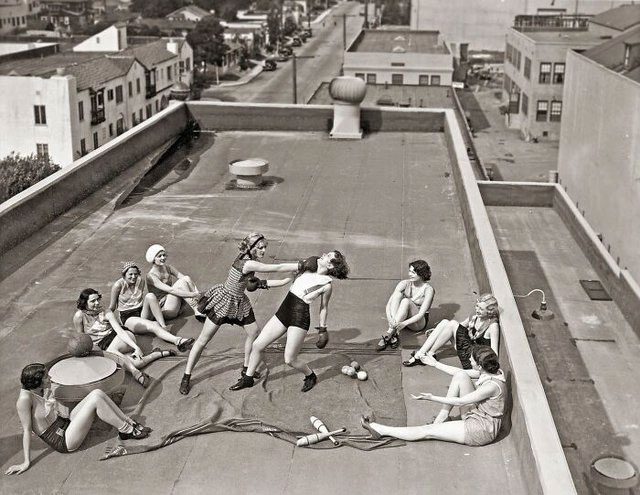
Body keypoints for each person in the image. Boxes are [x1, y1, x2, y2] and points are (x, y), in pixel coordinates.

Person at [179, 233, 299, 395]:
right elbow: (275, 268)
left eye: (265, 247)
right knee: (203, 340)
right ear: (251, 248)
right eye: (260, 247)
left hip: (239, 301)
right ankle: (186, 376)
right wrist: (299, 265)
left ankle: (246, 368)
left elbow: (257, 284)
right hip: (224, 300)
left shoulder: (248, 259)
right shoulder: (248, 263)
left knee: (254, 332)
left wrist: (286, 281)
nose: (263, 251)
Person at [230, 250, 350, 393]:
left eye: (328, 256)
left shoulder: (327, 284)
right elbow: (284, 277)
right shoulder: (308, 266)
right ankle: (248, 379)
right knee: (257, 345)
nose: (324, 254)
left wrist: (323, 329)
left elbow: (323, 308)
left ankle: (310, 375)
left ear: (330, 266)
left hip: (299, 317)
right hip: (284, 311)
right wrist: (262, 283)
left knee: (290, 360)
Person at [4, 363, 150, 475]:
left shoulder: (38, 390)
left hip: (65, 423)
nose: (50, 378)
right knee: (95, 401)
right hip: (63, 440)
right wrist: (25, 462)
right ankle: (127, 430)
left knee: (96, 393)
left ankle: (128, 422)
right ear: (37, 382)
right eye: (46, 377)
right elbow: (26, 431)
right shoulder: (24, 400)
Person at [360, 346, 507, 446]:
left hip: (479, 430)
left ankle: (381, 430)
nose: (469, 361)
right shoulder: (490, 370)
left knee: (427, 432)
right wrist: (435, 364)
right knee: (461, 375)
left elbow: (460, 401)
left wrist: (431, 397)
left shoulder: (491, 386)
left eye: (472, 360)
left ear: (480, 366)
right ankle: (440, 420)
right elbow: (457, 372)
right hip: (478, 414)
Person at [73, 288, 171, 387]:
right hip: (104, 346)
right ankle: (156, 354)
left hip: (123, 338)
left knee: (114, 355)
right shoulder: (79, 316)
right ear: (85, 303)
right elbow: (81, 338)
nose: (97, 303)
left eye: (98, 299)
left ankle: (135, 373)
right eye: (93, 301)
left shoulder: (106, 312)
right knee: (136, 363)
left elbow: (120, 332)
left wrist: (136, 347)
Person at [109, 261, 195, 353]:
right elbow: (112, 307)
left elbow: (143, 300)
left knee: (150, 295)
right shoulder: (118, 285)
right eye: (130, 274)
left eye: (136, 274)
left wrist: (165, 297)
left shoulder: (140, 281)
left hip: (141, 311)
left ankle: (163, 326)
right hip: (128, 317)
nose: (133, 277)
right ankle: (178, 341)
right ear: (124, 275)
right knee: (153, 325)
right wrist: (107, 320)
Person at [402, 293, 500, 369]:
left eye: (481, 309)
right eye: (477, 306)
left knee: (452, 323)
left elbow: (494, 354)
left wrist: (482, 368)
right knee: (445, 322)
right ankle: (425, 354)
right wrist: (439, 330)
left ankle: (423, 355)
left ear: (489, 311)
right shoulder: (475, 316)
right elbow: (461, 326)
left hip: (473, 359)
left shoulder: (492, 326)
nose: (477, 310)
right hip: (467, 347)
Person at [377, 260, 434, 352]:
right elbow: (389, 304)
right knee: (398, 295)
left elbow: (420, 314)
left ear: (422, 274)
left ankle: (389, 333)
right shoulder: (404, 283)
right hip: (400, 319)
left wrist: (403, 324)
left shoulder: (428, 290)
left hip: (417, 322)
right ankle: (393, 332)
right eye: (410, 271)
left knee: (405, 301)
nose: (410, 274)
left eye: (413, 272)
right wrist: (390, 319)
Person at [145, 244, 204, 322]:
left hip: (175, 304)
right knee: (180, 284)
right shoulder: (151, 276)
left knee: (186, 278)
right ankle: (197, 309)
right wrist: (192, 294)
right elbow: (171, 290)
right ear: (153, 259)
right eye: (159, 256)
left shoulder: (168, 268)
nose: (163, 258)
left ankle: (198, 304)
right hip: (165, 309)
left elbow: (186, 279)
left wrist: (196, 293)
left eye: (164, 255)